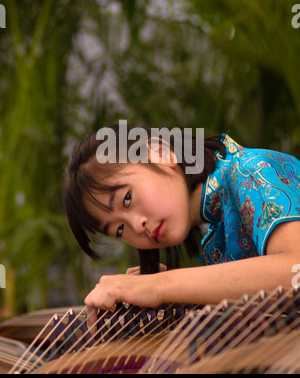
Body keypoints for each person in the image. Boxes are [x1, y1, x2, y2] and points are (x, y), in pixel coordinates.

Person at [64, 123, 300, 328]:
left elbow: (296, 269)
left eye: (127, 198)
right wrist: (181, 294)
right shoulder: (217, 217)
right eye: (119, 229)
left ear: (160, 154)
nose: (137, 226)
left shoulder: (252, 171)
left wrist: (158, 286)